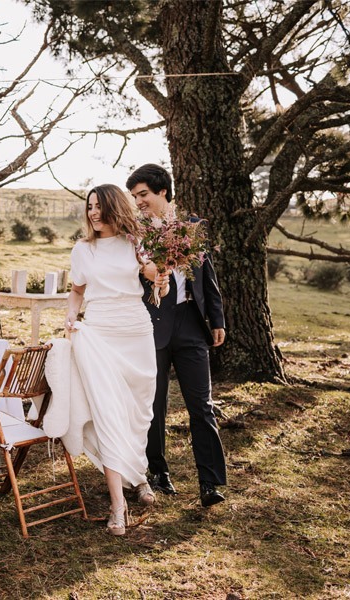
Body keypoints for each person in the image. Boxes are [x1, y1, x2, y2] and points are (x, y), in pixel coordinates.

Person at [64, 184, 167, 536]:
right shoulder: (82, 250)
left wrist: (162, 278)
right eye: (89, 207)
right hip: (99, 334)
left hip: (136, 333)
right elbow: (77, 291)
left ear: (113, 208)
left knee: (137, 413)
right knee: (108, 412)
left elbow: (154, 274)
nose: (93, 213)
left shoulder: (134, 242)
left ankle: (137, 477)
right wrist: (70, 318)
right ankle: (118, 506)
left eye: (99, 206)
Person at [127, 164, 227, 507]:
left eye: (143, 194)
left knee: (201, 405)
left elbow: (205, 273)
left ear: (163, 191)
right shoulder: (135, 232)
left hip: (191, 322)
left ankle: (210, 483)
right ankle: (158, 471)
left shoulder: (193, 226)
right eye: (134, 196)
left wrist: (217, 318)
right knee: (153, 405)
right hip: (151, 323)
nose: (138, 201)